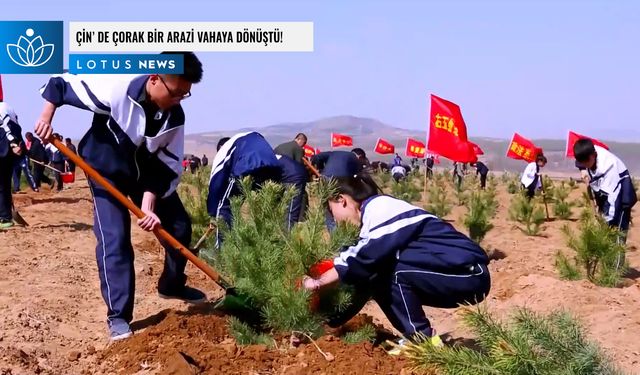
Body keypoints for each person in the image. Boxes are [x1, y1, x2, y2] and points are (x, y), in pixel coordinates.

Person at [34, 52, 206, 341]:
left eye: (185, 95)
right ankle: (119, 316)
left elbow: (165, 167)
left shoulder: (174, 116)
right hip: (104, 168)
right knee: (114, 237)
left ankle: (171, 284)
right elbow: (61, 83)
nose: (179, 99)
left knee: (178, 227)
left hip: (144, 174)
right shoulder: (116, 87)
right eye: (176, 92)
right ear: (155, 79)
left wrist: (148, 206)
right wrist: (45, 119)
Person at [301, 161, 490, 351]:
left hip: (468, 273)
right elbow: (363, 283)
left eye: (332, 212)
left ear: (342, 200)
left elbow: (362, 257)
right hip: (450, 272)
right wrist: (329, 323)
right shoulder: (371, 220)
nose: (335, 220)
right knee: (378, 275)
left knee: (389, 272)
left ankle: (423, 341)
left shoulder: (380, 207)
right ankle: (418, 338)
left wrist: (317, 282)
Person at [208, 132, 308, 247]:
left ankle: (222, 248)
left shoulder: (224, 154)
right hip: (277, 172)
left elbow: (215, 186)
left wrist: (213, 212)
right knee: (274, 213)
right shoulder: (245, 144)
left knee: (287, 218)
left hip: (285, 175)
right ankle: (275, 248)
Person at [573, 139, 637, 254]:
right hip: (603, 191)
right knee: (605, 227)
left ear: (593, 155)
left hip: (621, 194)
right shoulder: (586, 154)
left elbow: (612, 201)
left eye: (586, 162)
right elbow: (580, 161)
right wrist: (582, 169)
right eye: (582, 162)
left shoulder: (608, 167)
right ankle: (606, 263)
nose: (585, 164)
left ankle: (615, 269)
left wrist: (604, 223)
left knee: (617, 229)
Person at [1, 101, 24, 229]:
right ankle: (7, 216)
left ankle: (4, 218)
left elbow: (6, 127)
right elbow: (16, 126)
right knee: (4, 184)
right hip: (9, 151)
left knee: (2, 184)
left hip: (4, 148)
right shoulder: (8, 107)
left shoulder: (1, 108)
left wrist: (13, 143)